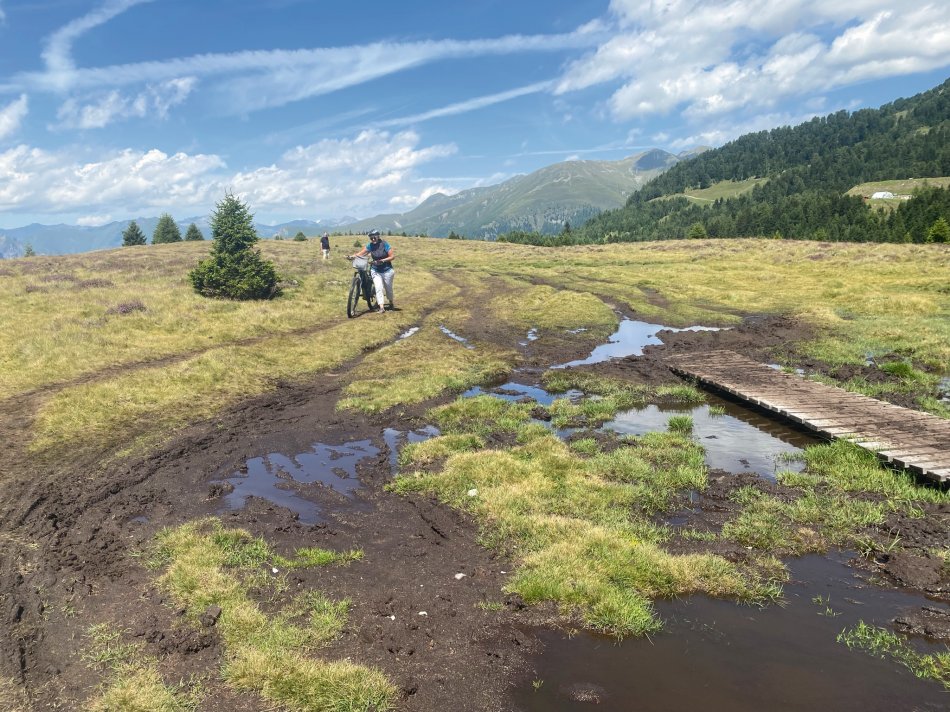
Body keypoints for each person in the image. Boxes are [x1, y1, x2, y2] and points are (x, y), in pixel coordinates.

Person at [349, 229, 394, 313]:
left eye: (374, 237)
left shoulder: (384, 244)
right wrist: (352, 256)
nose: (373, 239)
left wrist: (382, 260)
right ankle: (381, 308)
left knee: (388, 289)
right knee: (378, 287)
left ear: (378, 236)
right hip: (375, 270)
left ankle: (391, 302)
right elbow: (361, 253)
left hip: (387, 270)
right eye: (371, 238)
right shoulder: (370, 245)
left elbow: (392, 256)